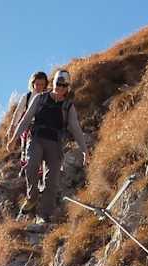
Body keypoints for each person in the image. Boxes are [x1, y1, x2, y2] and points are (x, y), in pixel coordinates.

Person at [8, 69, 89, 223]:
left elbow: (76, 128)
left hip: (55, 144)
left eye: (64, 86)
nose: (60, 88)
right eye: (58, 84)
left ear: (68, 88)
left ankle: (44, 215)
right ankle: (32, 198)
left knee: (51, 181)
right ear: (53, 83)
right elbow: (26, 119)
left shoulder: (68, 106)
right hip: (36, 139)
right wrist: (14, 138)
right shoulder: (40, 98)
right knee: (31, 166)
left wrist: (84, 150)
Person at [7, 71, 49, 177]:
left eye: (42, 84)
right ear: (33, 83)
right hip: (28, 127)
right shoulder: (27, 97)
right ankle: (26, 168)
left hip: (43, 127)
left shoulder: (48, 96)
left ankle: (40, 173)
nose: (39, 87)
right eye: (37, 84)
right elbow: (18, 112)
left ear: (46, 84)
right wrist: (12, 127)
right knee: (26, 148)